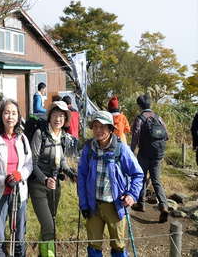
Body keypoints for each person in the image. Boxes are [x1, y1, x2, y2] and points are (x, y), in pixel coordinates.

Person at [77, 110, 143, 257]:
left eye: (103, 126)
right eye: (95, 126)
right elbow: (81, 177)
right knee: (93, 246)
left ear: (110, 129)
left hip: (115, 205)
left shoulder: (121, 149)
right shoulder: (88, 149)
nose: (98, 130)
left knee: (118, 246)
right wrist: (84, 204)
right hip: (93, 205)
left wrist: (132, 195)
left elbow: (138, 174)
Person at [0, 99, 33, 257]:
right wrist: (3, 180)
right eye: (7, 112)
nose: (10, 116)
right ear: (1, 115)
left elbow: (29, 163)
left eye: (14, 113)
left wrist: (19, 175)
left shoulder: (22, 138)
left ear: (18, 116)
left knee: (19, 236)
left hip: (19, 192)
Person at [28, 101, 77, 257]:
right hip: (38, 185)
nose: (58, 119)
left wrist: (70, 173)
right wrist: (44, 179)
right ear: (50, 116)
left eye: (62, 116)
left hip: (55, 185)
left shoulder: (62, 136)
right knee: (49, 226)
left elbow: (61, 160)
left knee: (50, 223)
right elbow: (32, 162)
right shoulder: (39, 134)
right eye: (55, 115)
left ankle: (43, 254)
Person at [130, 94, 169, 223]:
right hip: (158, 154)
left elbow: (135, 136)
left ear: (139, 105)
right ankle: (163, 205)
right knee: (156, 180)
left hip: (144, 153)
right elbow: (166, 136)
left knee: (140, 177)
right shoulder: (158, 117)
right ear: (150, 105)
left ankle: (141, 203)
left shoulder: (140, 118)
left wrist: (131, 151)